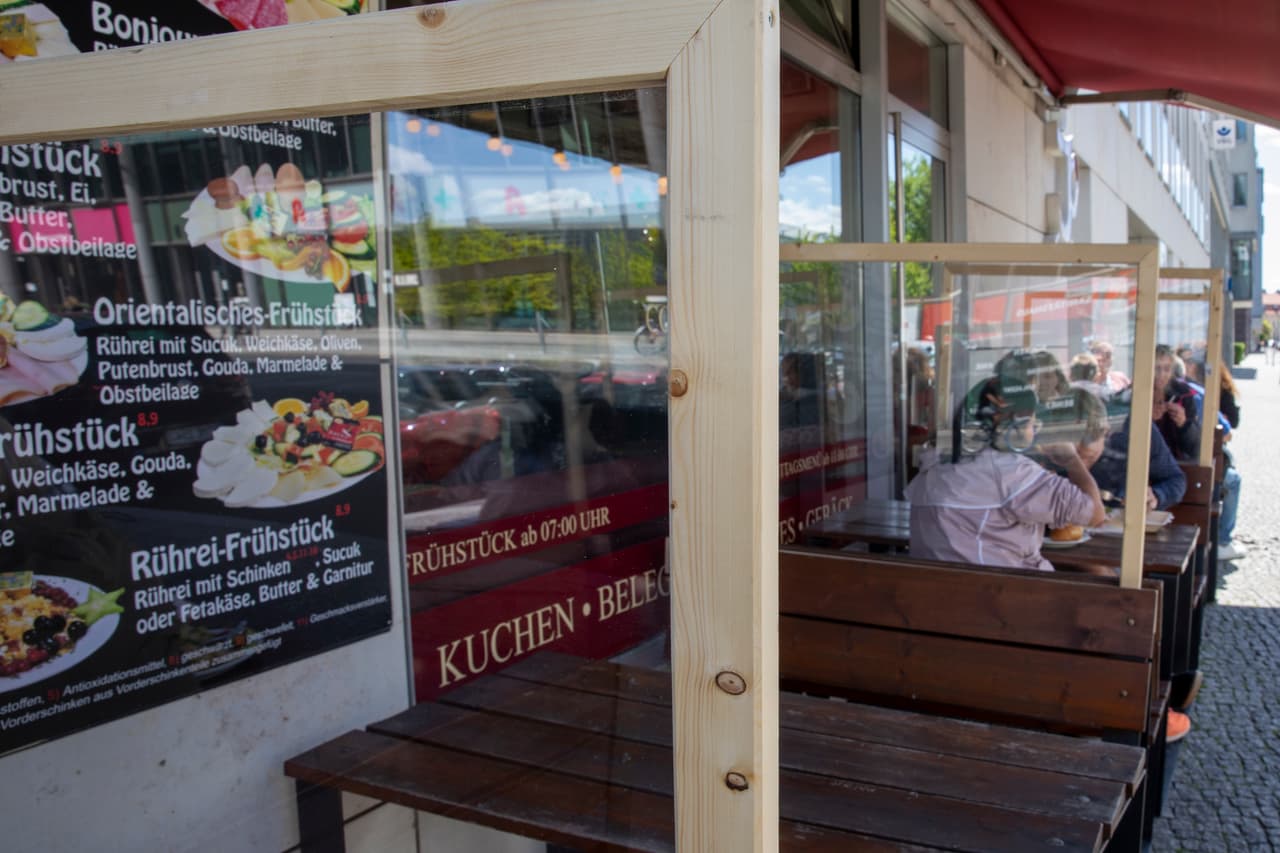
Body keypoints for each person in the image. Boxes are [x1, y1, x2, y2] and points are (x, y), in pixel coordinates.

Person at [905, 358, 1106, 573]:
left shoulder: (934, 463)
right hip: (1001, 597)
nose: (1035, 429)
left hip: (937, 594)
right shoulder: (1011, 473)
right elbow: (1095, 515)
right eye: (1031, 422)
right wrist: (1071, 461)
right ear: (1013, 426)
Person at [1153, 344, 1201, 460]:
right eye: (1156, 368)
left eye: (1166, 369)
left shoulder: (1184, 395)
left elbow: (1195, 449)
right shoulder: (1134, 394)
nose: (1161, 375)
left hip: (1175, 464)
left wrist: (1183, 424)